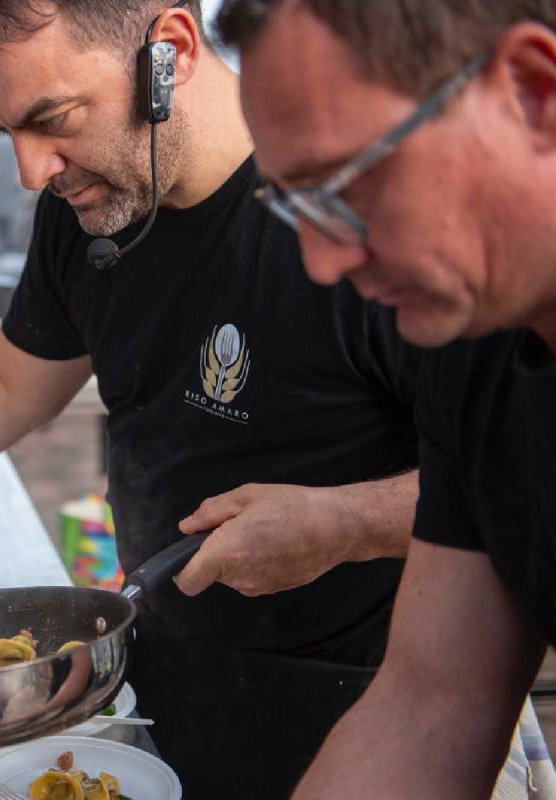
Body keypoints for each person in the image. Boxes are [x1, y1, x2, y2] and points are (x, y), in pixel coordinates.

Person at [0, 1, 429, 796]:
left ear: (170, 53)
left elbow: (514, 475)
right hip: (162, 670)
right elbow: (7, 381)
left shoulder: (356, 212)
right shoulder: (87, 206)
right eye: (4, 133)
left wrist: (345, 522)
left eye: (52, 118)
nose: (31, 171)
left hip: (376, 702)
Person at [214, 1, 556, 796]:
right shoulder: (473, 346)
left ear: (533, 94)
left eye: (347, 186)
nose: (325, 265)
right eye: (293, 203)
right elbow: (428, 707)